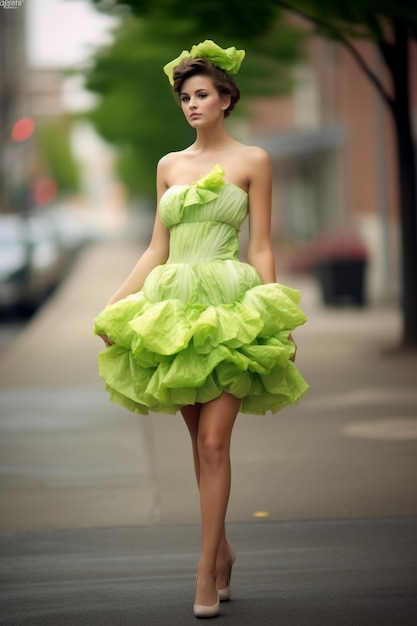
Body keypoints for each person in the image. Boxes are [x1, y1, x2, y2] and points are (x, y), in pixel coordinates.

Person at [94, 39, 309, 619]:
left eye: (202, 94)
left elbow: (260, 243)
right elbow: (156, 248)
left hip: (231, 304)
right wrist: (115, 305)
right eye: (185, 97)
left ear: (226, 98)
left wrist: (274, 312)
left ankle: (204, 568)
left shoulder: (254, 161)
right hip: (173, 307)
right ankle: (224, 549)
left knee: (216, 442)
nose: (191, 104)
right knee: (198, 444)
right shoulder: (168, 165)